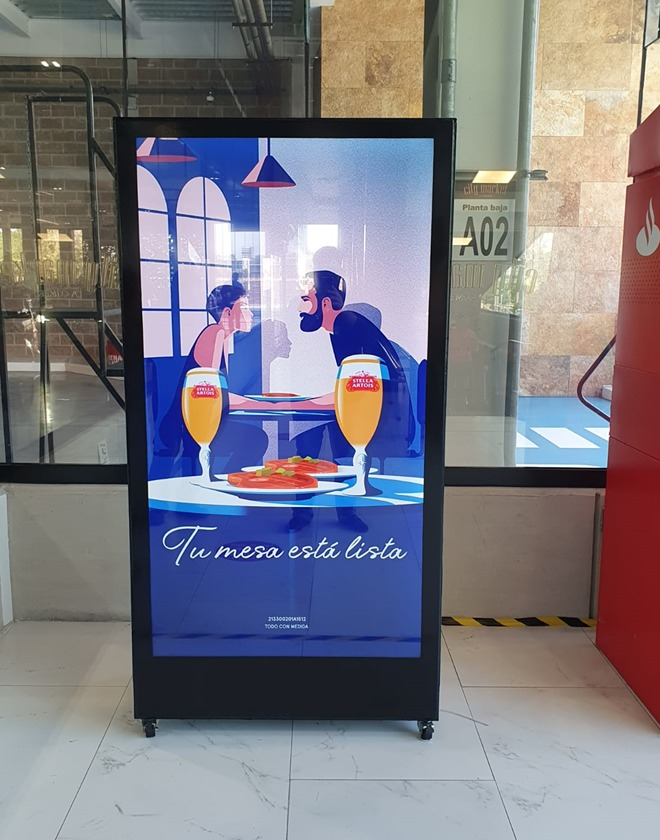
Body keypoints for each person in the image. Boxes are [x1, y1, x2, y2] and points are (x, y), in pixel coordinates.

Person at [289, 270, 415, 531]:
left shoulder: (347, 323)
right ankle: (304, 513)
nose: (301, 308)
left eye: (306, 300)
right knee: (307, 458)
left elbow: (354, 387)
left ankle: (343, 514)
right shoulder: (330, 329)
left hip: (356, 408)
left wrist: (308, 404)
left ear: (325, 303)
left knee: (342, 459)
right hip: (333, 404)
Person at [156, 282, 268, 477]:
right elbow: (212, 397)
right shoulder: (214, 333)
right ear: (227, 313)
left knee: (254, 439)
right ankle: (224, 481)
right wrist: (262, 404)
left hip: (202, 422)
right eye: (244, 307)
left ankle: (222, 480)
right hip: (189, 424)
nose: (251, 314)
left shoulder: (223, 339)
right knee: (255, 440)